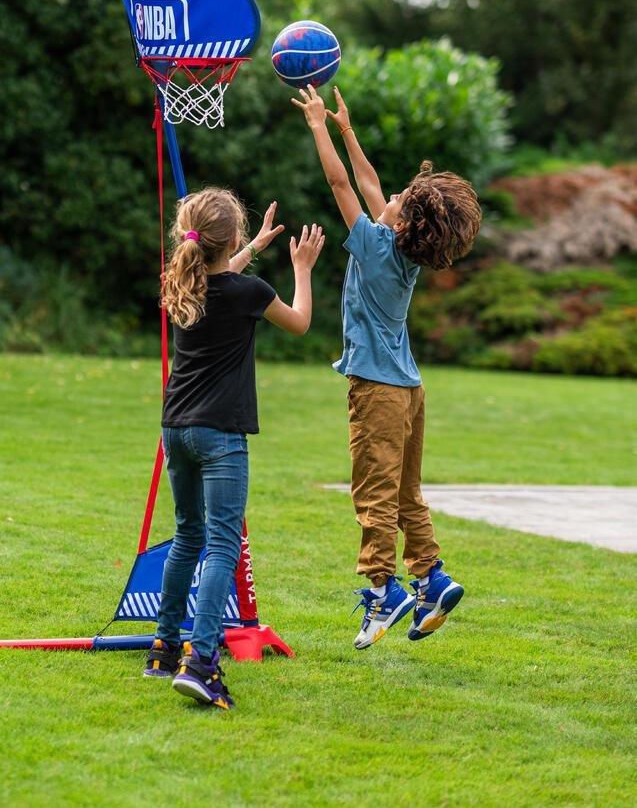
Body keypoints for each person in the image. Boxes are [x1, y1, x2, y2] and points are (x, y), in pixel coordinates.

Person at [292, 84, 481, 649]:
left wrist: (320, 127)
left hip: (376, 390)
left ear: (402, 223)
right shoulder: (400, 250)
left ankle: (383, 591)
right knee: (406, 493)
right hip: (411, 388)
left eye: (400, 199)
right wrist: (349, 130)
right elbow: (371, 186)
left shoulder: (375, 246)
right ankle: (431, 577)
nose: (390, 195)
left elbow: (343, 185)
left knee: (372, 491)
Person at [144, 187, 324, 708]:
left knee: (187, 534)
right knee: (221, 541)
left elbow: (221, 274)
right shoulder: (249, 292)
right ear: (233, 238)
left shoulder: (181, 284)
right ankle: (201, 662)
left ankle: (164, 645)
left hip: (175, 429)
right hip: (220, 434)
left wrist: (256, 247)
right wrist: (303, 267)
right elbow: (300, 322)